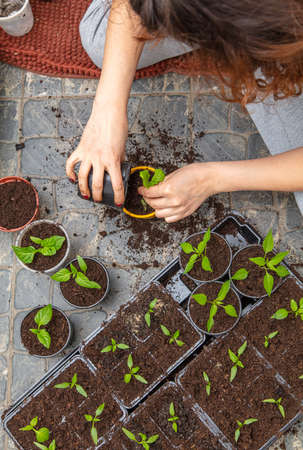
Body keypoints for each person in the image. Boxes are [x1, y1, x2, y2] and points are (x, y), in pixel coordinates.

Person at [66, 0, 303, 223]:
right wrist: (107, 112)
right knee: (100, 37)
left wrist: (211, 178)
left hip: (280, 39)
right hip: (247, 23)